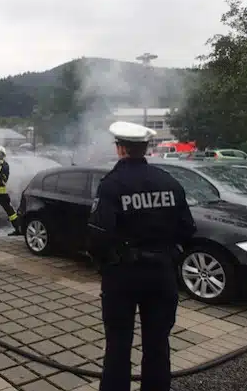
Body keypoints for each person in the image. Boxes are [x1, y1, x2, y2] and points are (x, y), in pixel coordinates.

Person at [87, 121, 197, 391]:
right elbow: (187, 229)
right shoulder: (169, 181)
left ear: (121, 149)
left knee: (118, 344)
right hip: (162, 274)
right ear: (144, 148)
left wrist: (105, 265)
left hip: (123, 275)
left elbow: (98, 234)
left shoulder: (111, 184)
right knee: (158, 344)